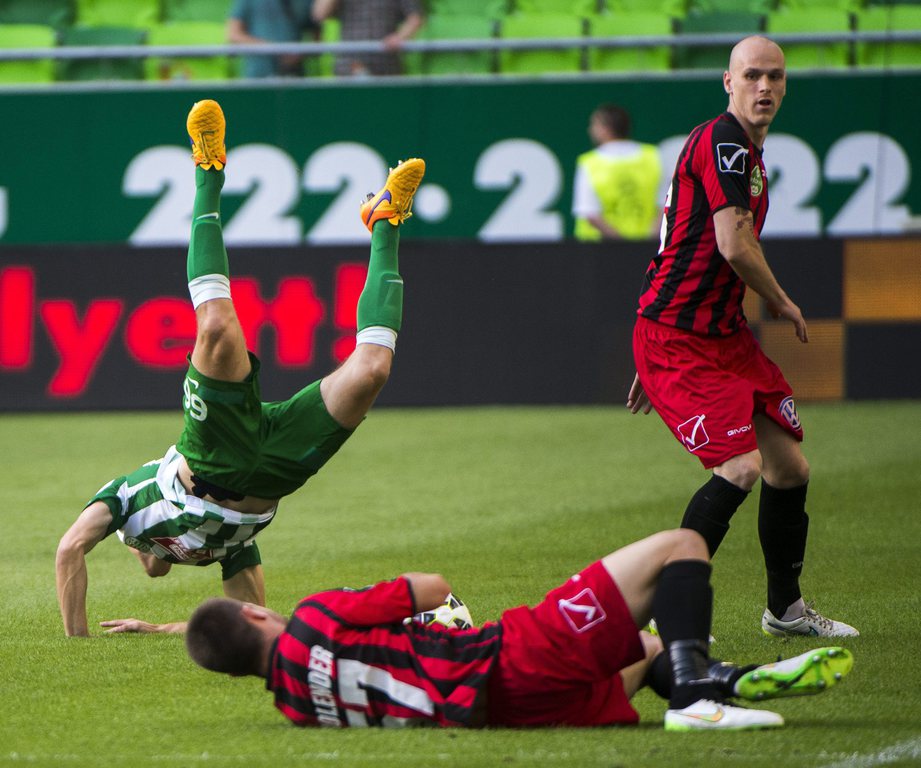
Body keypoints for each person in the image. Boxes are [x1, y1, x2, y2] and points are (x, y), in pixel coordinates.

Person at [55, 99, 426, 637]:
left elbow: (69, 548)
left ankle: (208, 172)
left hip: (210, 452)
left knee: (217, 329)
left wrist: (77, 642)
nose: (159, 563)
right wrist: (157, 630)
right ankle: (385, 221)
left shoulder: (127, 503)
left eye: (155, 556)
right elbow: (262, 623)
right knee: (371, 371)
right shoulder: (229, 544)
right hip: (273, 470)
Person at [626, 36, 858, 638]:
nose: (764, 87)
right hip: (680, 340)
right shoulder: (724, 140)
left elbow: (674, 236)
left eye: (775, 77)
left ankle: (785, 611)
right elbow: (732, 244)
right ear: (727, 83)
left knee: (789, 469)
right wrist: (780, 300)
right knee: (741, 468)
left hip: (716, 337)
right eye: (752, 75)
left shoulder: (745, 153)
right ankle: (655, 620)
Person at [185, 527, 854, 730]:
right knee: (679, 547)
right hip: (507, 656)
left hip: (501, 712)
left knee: (645, 643)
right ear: (253, 613)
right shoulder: (314, 618)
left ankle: (721, 677)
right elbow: (434, 589)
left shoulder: (298, 708)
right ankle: (693, 695)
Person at [572, 103, 662, 241]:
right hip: (647, 248)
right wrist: (646, 241)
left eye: (594, 125)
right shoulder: (652, 156)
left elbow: (589, 213)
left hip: (600, 251)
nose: (590, 130)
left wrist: (622, 244)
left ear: (605, 129)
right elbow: (666, 204)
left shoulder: (589, 163)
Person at [311, 0, 424, 77]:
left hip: (386, 64)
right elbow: (319, 14)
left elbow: (415, 18)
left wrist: (399, 37)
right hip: (349, 65)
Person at [227, 0, 319, 78]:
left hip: (295, 76)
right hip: (258, 75)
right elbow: (234, 34)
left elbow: (317, 40)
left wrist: (299, 53)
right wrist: (274, 50)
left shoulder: (305, 2)